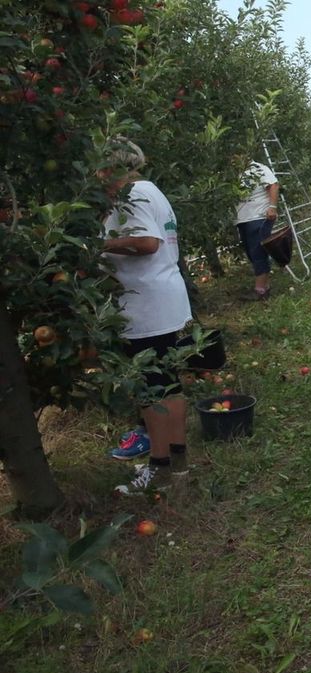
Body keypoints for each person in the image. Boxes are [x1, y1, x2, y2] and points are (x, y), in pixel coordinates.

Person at [100, 138, 193, 493]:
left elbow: (147, 242)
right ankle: (176, 463)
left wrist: (100, 246)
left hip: (146, 305)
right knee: (168, 384)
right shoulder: (150, 190)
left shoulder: (132, 196)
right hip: (164, 298)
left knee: (151, 389)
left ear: (110, 167)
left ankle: (159, 467)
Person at [235, 160, 280, 300]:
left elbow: (273, 185)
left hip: (258, 216)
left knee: (258, 251)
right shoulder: (233, 172)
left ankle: (260, 291)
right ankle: (265, 286)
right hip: (242, 219)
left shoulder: (258, 168)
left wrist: (272, 207)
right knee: (250, 251)